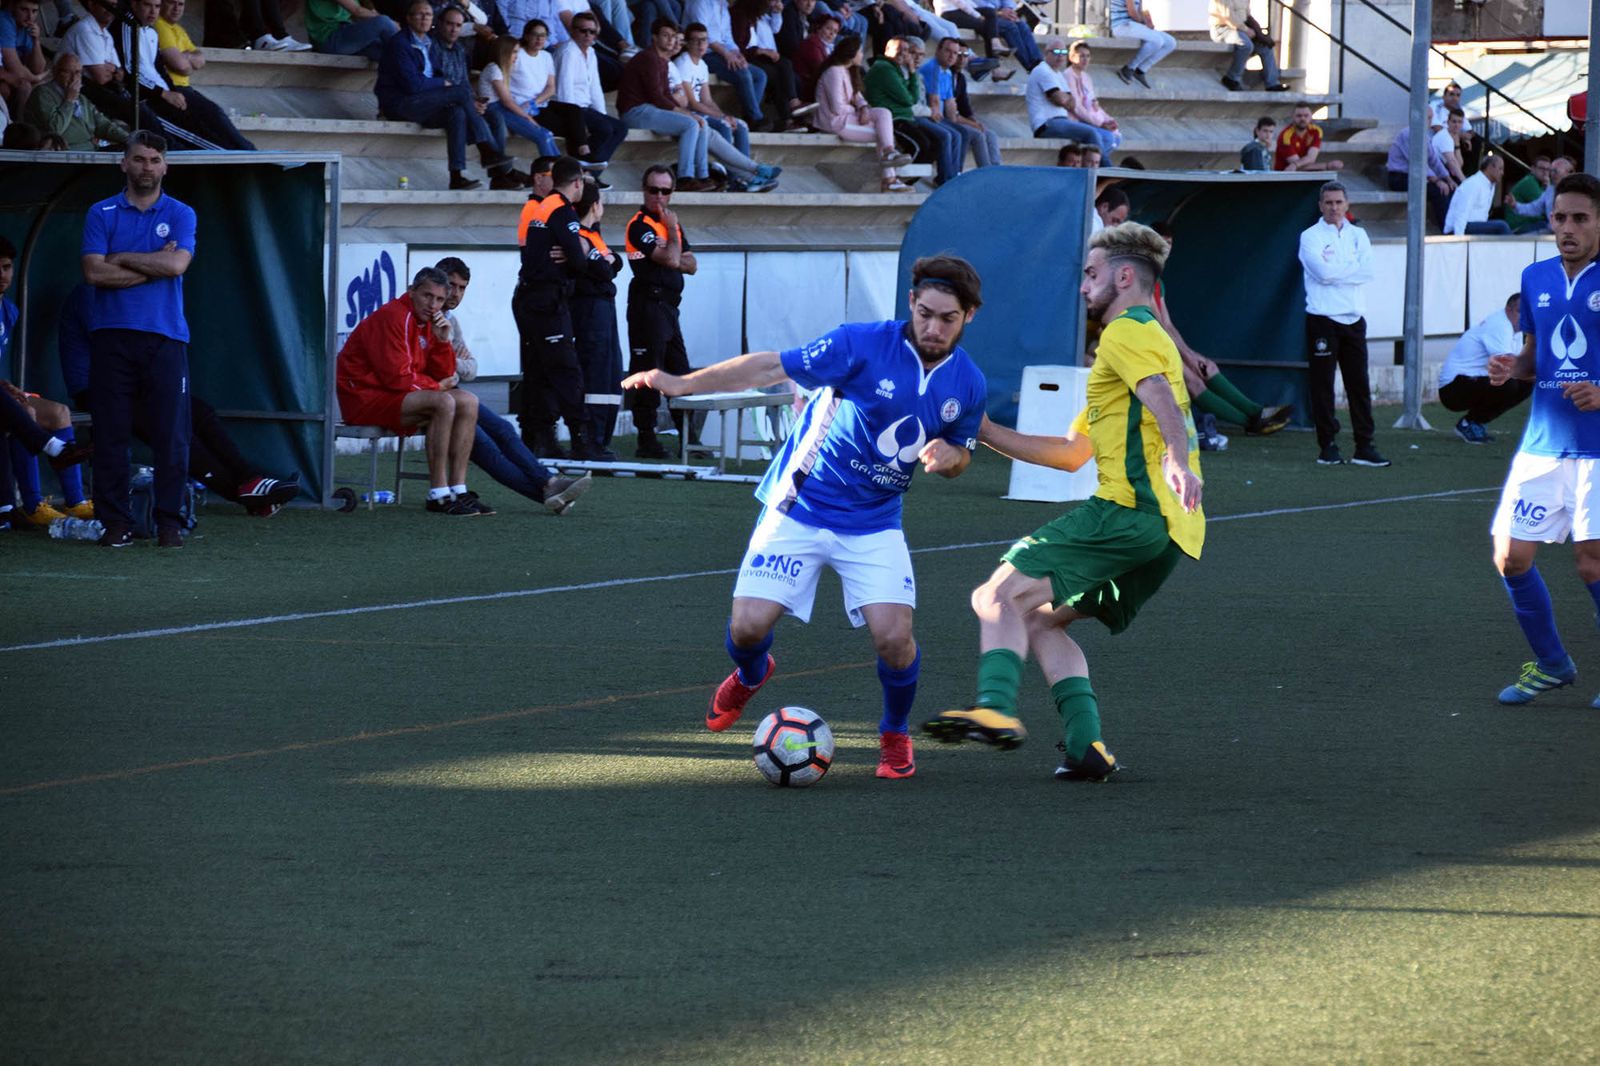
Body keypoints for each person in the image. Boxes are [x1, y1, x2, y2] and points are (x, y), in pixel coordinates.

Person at [622, 254, 989, 780]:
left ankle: (894, 732)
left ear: (969, 316)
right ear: (910, 302)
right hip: (801, 506)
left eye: (947, 318)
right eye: (924, 313)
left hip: (875, 521)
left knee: (894, 640)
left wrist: (949, 458)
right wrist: (682, 384)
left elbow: (961, 451)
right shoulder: (859, 343)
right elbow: (771, 367)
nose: (933, 327)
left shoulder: (969, 382)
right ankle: (751, 674)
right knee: (747, 630)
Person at [923, 223, 1202, 783]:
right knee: (1040, 619)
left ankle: (994, 707)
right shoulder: (1136, 345)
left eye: (1092, 274)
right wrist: (982, 429)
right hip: (1172, 533)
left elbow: (1161, 398)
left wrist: (1175, 455)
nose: (1083, 286)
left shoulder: (1127, 331)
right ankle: (1085, 744)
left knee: (995, 595)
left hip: (1129, 513)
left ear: (1124, 277)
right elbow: (1072, 454)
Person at [1484, 173, 1600, 706]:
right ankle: (1553, 664)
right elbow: (1536, 357)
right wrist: (1513, 367)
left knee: (1591, 562)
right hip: (1542, 444)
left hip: (1597, 449)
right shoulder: (1535, 277)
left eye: (1580, 218)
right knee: (1510, 556)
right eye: (1559, 218)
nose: (1567, 228)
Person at [61, 281, 300, 516]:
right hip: (96, 389)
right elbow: (117, 348)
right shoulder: (91, 294)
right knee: (173, 427)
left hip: (132, 386)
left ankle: (250, 480)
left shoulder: (130, 296)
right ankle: (250, 497)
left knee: (200, 412)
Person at [80, 130, 196, 549]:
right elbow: (94, 272)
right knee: (110, 434)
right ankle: (116, 523)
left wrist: (123, 258)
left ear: (165, 166)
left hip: (165, 338)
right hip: (111, 337)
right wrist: (155, 264)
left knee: (171, 436)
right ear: (123, 163)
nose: (147, 167)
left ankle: (169, 522)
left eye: (154, 160)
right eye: (139, 159)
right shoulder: (101, 212)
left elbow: (177, 266)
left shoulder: (181, 213)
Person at [432, 256, 594, 511]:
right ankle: (548, 491)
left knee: (504, 430)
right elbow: (438, 367)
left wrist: (453, 364)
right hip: (434, 397)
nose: (456, 293)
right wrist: (453, 362)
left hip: (454, 394)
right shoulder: (426, 318)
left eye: (462, 288)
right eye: (451, 285)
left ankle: (550, 484)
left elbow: (470, 369)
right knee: (486, 445)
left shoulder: (451, 320)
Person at [337, 266, 489, 515]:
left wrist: (443, 341)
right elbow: (398, 379)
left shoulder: (429, 322)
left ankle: (458, 490)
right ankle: (438, 494)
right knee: (444, 402)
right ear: (411, 291)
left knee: (468, 400)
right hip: (363, 398)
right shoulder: (394, 316)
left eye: (439, 299)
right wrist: (437, 387)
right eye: (427, 296)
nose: (433, 305)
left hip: (392, 396)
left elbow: (443, 373)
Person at [513, 155, 610, 459]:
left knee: (539, 371)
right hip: (546, 301)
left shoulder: (544, 206)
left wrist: (571, 253)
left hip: (533, 298)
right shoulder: (561, 210)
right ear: (577, 182)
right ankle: (582, 441)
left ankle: (537, 439)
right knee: (566, 370)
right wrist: (581, 252)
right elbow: (580, 263)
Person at [375, 0, 518, 190]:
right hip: (400, 104)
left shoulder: (427, 44)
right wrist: (444, 85)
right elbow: (413, 85)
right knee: (459, 92)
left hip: (422, 102)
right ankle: (486, 149)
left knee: (457, 112)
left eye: (428, 14)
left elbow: (437, 75)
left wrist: (463, 97)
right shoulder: (400, 43)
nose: (424, 18)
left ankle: (456, 176)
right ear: (408, 18)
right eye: (419, 14)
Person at [1299, 180, 1386, 467]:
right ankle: (1328, 446)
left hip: (1354, 319)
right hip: (1322, 319)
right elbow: (1322, 273)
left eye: (1338, 202)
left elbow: (1369, 271)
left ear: (1347, 204)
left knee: (1358, 384)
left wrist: (1337, 272)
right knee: (1323, 386)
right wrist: (1350, 270)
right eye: (1329, 202)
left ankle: (1364, 446)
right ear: (1320, 206)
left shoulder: (1359, 235)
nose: (1334, 207)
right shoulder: (1310, 236)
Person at [623, 164, 696, 458]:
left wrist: (671, 248)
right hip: (647, 305)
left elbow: (691, 264)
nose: (659, 196)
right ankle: (646, 438)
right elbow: (672, 260)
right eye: (654, 190)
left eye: (665, 191)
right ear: (644, 190)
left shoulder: (672, 224)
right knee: (648, 371)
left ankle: (689, 437)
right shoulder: (639, 225)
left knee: (680, 371)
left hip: (669, 307)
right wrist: (672, 245)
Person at [118, 0, 256, 151]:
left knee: (213, 114)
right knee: (199, 135)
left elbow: (162, 68)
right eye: (147, 5)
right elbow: (134, 70)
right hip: (150, 98)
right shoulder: (131, 25)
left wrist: (172, 91)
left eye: (156, 6)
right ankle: (242, 158)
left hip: (168, 92)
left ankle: (249, 153)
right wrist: (164, 93)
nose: (153, 11)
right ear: (134, 4)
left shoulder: (151, 31)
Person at [670, 21, 782, 192]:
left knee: (740, 125)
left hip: (700, 111)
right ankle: (733, 182)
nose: (701, 45)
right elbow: (693, 103)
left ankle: (746, 180)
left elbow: (707, 99)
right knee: (723, 125)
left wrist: (725, 116)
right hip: (689, 112)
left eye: (704, 40)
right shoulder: (683, 63)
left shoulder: (702, 65)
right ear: (687, 43)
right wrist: (721, 118)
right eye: (696, 40)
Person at [619, 18, 717, 191]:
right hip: (635, 111)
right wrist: (686, 114)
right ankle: (685, 178)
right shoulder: (648, 58)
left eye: (673, 36)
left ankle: (702, 176)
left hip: (651, 109)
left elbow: (665, 94)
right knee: (691, 124)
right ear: (654, 37)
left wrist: (688, 113)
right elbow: (657, 97)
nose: (671, 40)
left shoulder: (662, 60)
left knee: (701, 123)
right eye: (665, 35)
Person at [809, 32, 911, 191]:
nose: (862, 55)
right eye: (860, 51)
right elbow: (837, 108)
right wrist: (857, 111)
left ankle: (889, 154)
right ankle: (889, 179)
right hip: (835, 122)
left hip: (847, 117)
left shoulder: (847, 71)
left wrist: (863, 107)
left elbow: (857, 96)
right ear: (851, 54)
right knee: (883, 134)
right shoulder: (834, 72)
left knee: (884, 113)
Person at [569, 182, 625, 459]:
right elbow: (605, 269)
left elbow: (615, 263)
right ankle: (590, 440)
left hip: (604, 308)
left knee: (611, 371)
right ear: (594, 205)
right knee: (596, 372)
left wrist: (609, 262)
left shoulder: (592, 235)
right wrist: (608, 262)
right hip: (590, 309)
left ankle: (601, 440)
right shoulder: (579, 235)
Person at [1438, 293, 1530, 445]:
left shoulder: (1515, 330)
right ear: (1508, 310)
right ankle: (1468, 424)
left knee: (1526, 383)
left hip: (1472, 381)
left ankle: (1474, 422)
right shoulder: (1499, 325)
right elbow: (1506, 363)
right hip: (1453, 389)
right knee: (1508, 383)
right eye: (1521, 312)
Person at [864, 35, 955, 187]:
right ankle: (896, 180)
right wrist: (912, 77)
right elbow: (908, 100)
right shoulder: (884, 68)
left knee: (937, 143)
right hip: (893, 119)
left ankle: (906, 182)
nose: (902, 53)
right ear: (887, 50)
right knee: (921, 145)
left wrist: (912, 72)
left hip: (905, 117)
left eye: (906, 50)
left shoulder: (896, 69)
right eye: (898, 49)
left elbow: (913, 97)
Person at [544, 9, 629, 167]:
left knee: (621, 128)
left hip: (585, 107)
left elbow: (595, 87)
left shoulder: (591, 52)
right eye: (583, 30)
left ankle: (592, 168)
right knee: (604, 129)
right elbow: (564, 89)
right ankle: (583, 163)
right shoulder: (567, 52)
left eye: (592, 32)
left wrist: (602, 114)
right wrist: (574, 122)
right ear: (572, 31)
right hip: (569, 109)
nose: (588, 35)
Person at [1024, 36, 1114, 160]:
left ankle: (1091, 166)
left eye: (1063, 52)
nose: (1060, 56)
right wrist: (1062, 98)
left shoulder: (1058, 74)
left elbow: (1072, 103)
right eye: (1056, 52)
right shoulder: (1042, 70)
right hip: (1046, 124)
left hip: (1062, 121)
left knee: (1109, 137)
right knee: (1092, 133)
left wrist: (1063, 98)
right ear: (1046, 53)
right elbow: (1061, 100)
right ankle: (1104, 170)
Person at [22, 52, 130, 151]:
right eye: (67, 72)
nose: (74, 78)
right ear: (55, 72)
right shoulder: (42, 93)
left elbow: (103, 125)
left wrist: (131, 139)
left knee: (129, 151)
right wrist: (69, 100)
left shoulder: (81, 98)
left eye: (78, 72)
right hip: (66, 154)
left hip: (90, 151)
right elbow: (54, 129)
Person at [481, 25, 559, 160]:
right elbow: (507, 101)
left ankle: (561, 168)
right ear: (504, 52)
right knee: (542, 136)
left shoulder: (500, 69)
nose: (517, 56)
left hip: (502, 108)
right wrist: (528, 118)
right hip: (495, 109)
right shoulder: (494, 69)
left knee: (547, 135)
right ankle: (551, 171)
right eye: (514, 52)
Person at [685, 0, 767, 127]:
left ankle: (749, 117)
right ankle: (755, 118)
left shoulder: (722, 5)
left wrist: (738, 54)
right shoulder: (700, 3)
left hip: (721, 53)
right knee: (743, 73)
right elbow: (702, 37)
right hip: (703, 53)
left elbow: (727, 37)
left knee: (760, 75)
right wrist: (726, 54)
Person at [1382, 123, 1453, 229]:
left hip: (1415, 176)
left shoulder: (1425, 135)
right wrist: (1437, 181)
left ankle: (1454, 224)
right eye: (1427, 118)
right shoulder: (1408, 134)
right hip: (1399, 177)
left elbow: (1434, 160)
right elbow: (1417, 162)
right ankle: (1446, 228)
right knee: (1438, 191)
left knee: (1451, 187)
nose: (1429, 122)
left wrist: (1448, 179)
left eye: (1430, 118)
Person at [1208, 0, 1284, 92]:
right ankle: (1231, 78)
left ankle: (1272, 83)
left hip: (1242, 29)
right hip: (1223, 29)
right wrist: (1246, 30)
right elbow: (1228, 16)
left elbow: (1247, 16)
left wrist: (1259, 33)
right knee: (1246, 45)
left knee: (1265, 46)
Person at [1063, 41, 1120, 150]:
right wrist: (1099, 123)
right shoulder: (1068, 75)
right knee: (1108, 138)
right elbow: (1076, 107)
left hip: (1089, 119)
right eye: (1082, 56)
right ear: (1072, 57)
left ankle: (1095, 159)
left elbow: (1094, 104)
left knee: (1117, 138)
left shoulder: (1086, 77)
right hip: (1075, 119)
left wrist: (1109, 119)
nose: (1085, 59)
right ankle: (1094, 160)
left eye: (1088, 56)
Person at [949, 45, 1000, 169]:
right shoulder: (946, 76)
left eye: (965, 55)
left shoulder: (960, 78)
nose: (962, 59)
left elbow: (964, 106)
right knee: (978, 135)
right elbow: (951, 114)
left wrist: (975, 122)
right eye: (959, 54)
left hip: (959, 118)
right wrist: (973, 124)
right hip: (948, 119)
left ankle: (996, 170)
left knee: (991, 134)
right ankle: (985, 172)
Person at [1107, 0, 1174, 88]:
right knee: (1156, 40)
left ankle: (1140, 70)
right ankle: (1129, 68)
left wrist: (1148, 20)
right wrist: (1144, 22)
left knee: (1170, 42)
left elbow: (1139, 11)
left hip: (1132, 25)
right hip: (1121, 25)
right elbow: (1132, 13)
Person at [1443, 153, 1511, 237]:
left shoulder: (1491, 186)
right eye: (1500, 169)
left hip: (1476, 227)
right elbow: (1461, 213)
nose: (1502, 173)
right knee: (1502, 226)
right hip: (1459, 229)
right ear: (1490, 167)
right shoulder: (1473, 183)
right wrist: (1459, 240)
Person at [1505, 155, 1575, 237]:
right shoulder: (1550, 189)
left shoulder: (1575, 191)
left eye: (1555, 171)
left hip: (1570, 233)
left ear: (1567, 173)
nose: (1551, 174)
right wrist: (1515, 205)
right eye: (1551, 171)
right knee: (1526, 239)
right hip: (1552, 232)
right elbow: (1535, 208)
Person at [305, 0, 400, 59]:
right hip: (330, 39)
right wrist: (392, 23)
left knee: (385, 53)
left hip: (344, 38)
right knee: (383, 22)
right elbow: (358, 11)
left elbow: (362, 17)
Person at [0, 0, 48, 113]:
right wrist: (36, 78)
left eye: (34, 11)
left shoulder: (27, 26)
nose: (30, 16)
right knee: (21, 86)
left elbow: (38, 68)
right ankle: (19, 122)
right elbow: (15, 68)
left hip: (8, 73)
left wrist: (36, 41)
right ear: (12, 7)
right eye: (24, 10)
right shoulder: (4, 21)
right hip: (3, 73)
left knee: (41, 85)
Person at [1274, 101, 1341, 173]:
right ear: (1293, 117)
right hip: (1283, 176)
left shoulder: (1316, 131)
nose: (1302, 118)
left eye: (1306, 115)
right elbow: (1298, 167)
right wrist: (1327, 166)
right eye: (1299, 116)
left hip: (1305, 175)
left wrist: (1296, 164)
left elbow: (1311, 158)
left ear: (1311, 116)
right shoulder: (1285, 136)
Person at [1506, 155, 1552, 235]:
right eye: (1541, 168)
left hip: (1529, 224)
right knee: (1550, 227)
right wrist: (1549, 188)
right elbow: (1545, 209)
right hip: (1518, 227)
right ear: (1533, 169)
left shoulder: (1541, 184)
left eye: (1548, 169)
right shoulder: (1529, 182)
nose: (1545, 172)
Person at [1431, 107, 1468, 186]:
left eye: (1460, 122)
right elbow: (1452, 162)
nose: (1457, 125)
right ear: (1448, 122)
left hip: (1441, 173)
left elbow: (1459, 164)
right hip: (1434, 176)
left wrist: (1457, 145)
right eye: (1454, 122)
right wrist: (1465, 182)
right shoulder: (1445, 137)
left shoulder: (1452, 137)